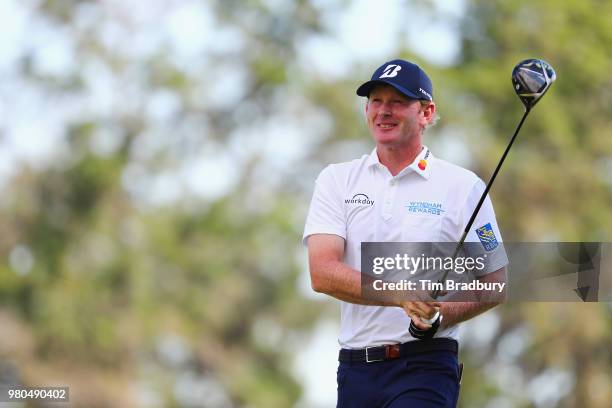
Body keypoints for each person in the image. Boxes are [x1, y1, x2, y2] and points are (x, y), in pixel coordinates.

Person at [303, 59, 508, 407]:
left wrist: (442, 315)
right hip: (355, 369)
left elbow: (495, 281)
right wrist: (399, 293)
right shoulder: (336, 180)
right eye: (376, 101)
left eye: (397, 102)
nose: (384, 111)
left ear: (426, 113)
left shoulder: (463, 187)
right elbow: (322, 272)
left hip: (425, 364)